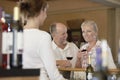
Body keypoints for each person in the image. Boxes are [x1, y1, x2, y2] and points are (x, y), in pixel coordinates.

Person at [19, 0, 67, 80]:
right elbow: (54, 75)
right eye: (45, 12)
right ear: (40, 11)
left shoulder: (15, 35)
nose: (46, 16)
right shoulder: (43, 36)